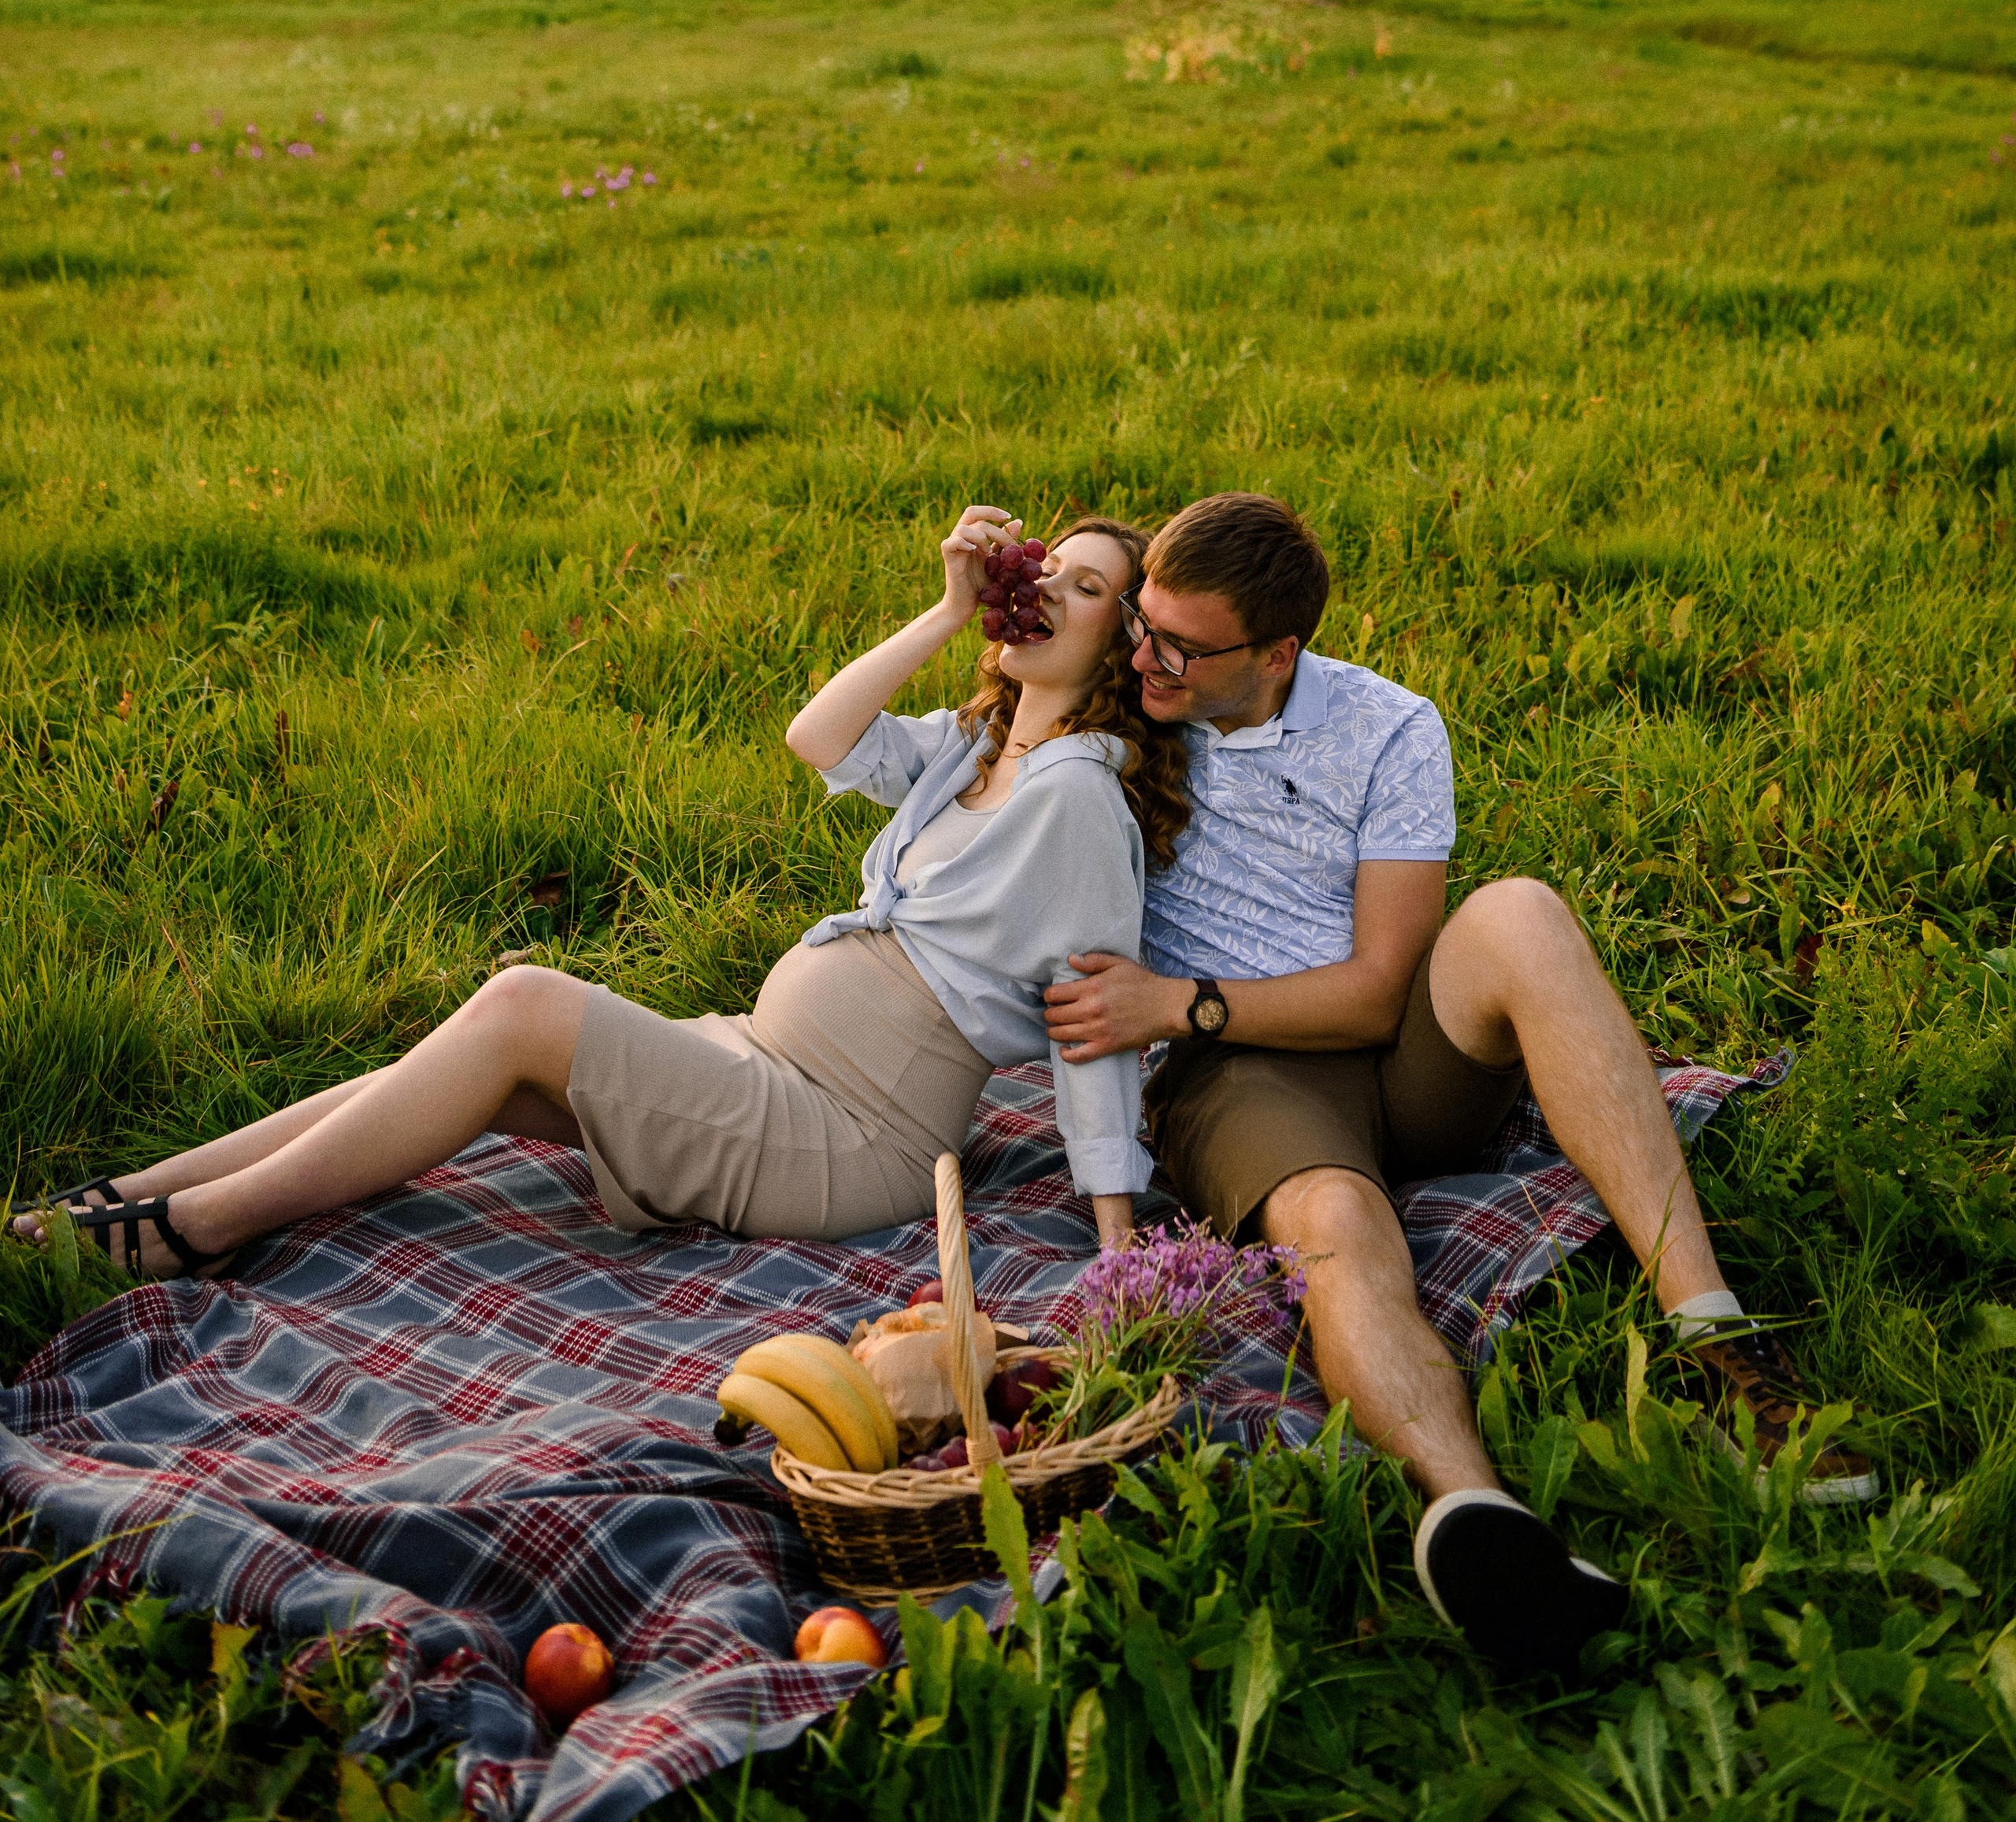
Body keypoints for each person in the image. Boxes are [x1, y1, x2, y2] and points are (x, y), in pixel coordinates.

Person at [1043, 490, 1873, 1679]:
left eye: (1182, 646)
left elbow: (1380, 990)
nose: (1146, 660)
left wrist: (1175, 1000)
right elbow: (956, 711)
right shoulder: (1118, 708)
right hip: (1242, 1079)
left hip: (1372, 1048)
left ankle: (1719, 1341)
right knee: (1337, 1217)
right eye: (1143, 627)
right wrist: (975, 594)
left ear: (1278, 653)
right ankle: (1475, 1516)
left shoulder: (1387, 726)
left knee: (1521, 911)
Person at [16, 507, 1187, 1280]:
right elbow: (818, 736)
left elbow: (1094, 1016)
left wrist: (1115, 1234)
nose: (1044, 588)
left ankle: (198, 1230)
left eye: (1084, 588)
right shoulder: (976, 743)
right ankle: (129, 1200)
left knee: (521, 1004)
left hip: (845, 1136)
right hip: (759, 1062)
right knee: (455, 1073)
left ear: (1121, 645)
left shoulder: (1079, 797)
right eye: (1047, 567)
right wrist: (943, 611)